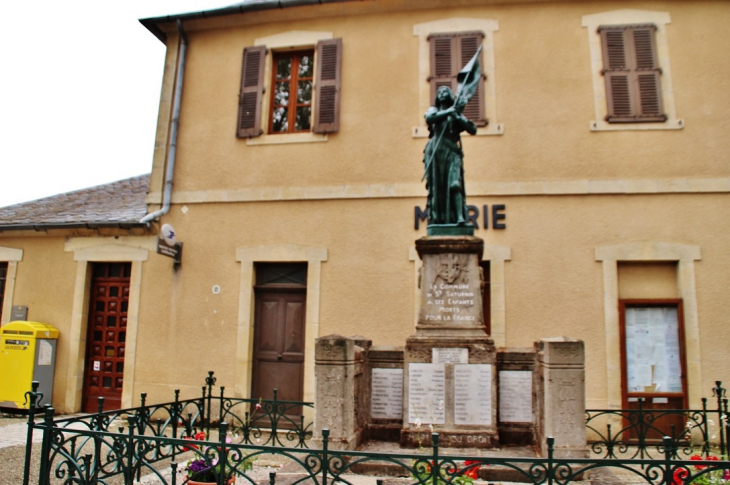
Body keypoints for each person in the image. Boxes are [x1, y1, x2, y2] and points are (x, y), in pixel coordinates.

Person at [423, 85, 477, 226]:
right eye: (439, 91)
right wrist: (448, 112)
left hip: (452, 152)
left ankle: (460, 217)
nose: (442, 93)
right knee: (438, 187)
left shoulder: (456, 113)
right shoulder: (434, 110)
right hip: (436, 152)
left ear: (451, 95)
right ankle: (439, 218)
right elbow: (429, 118)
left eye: (445, 91)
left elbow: (472, 129)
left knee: (454, 184)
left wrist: (457, 117)